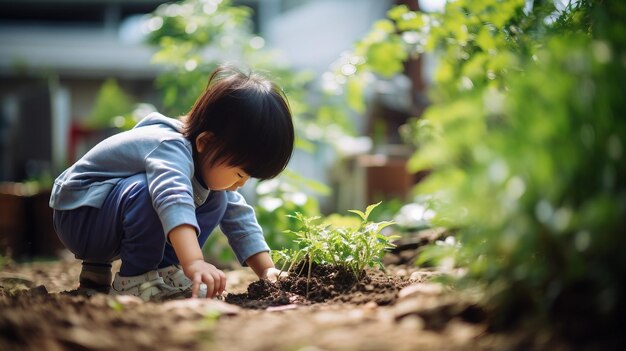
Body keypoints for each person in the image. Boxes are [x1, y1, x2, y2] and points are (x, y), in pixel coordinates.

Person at [50, 65, 293, 301]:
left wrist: (266, 270)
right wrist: (194, 261)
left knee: (217, 198)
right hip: (80, 214)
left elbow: (239, 215)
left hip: (105, 216)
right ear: (205, 143)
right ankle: (137, 279)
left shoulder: (203, 164)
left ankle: (151, 271)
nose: (241, 184)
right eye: (239, 174)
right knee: (152, 192)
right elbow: (172, 198)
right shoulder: (170, 147)